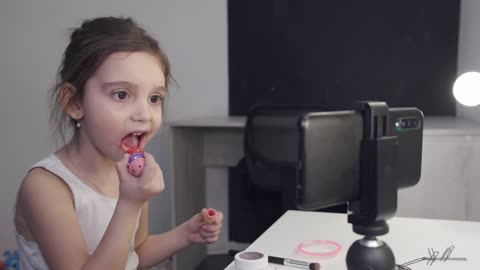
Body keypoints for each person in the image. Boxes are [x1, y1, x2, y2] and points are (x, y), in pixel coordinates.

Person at [13, 16, 223, 270]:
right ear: (74, 103)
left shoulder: (127, 173)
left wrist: (187, 234)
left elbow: (134, 254)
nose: (144, 114)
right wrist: (130, 203)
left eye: (154, 98)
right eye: (121, 94)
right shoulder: (45, 187)